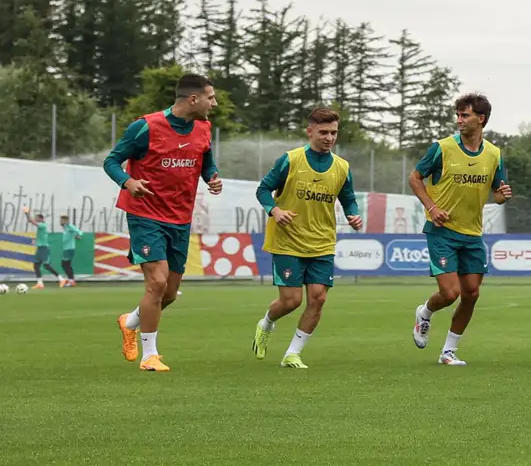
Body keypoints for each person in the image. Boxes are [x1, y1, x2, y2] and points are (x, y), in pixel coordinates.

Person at [105, 73, 223, 371]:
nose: (215, 103)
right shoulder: (145, 126)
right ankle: (149, 356)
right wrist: (128, 181)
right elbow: (111, 161)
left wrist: (212, 177)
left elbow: (206, 161)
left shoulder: (204, 129)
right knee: (156, 283)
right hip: (145, 215)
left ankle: (130, 321)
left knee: (169, 293)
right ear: (193, 99)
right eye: (211, 97)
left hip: (180, 218)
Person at [252, 106, 364, 368]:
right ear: (309, 131)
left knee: (318, 298)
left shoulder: (342, 167)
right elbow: (263, 190)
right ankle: (266, 323)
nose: (329, 138)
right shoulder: (290, 160)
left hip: (322, 241)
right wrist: (275, 210)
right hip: (288, 240)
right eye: (323, 132)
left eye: (333, 132)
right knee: (291, 301)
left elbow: (349, 200)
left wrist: (353, 215)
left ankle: (293, 353)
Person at [407, 93, 512, 365]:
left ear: (481, 119)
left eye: (465, 115)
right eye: (458, 115)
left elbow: (498, 193)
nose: (459, 120)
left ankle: (448, 352)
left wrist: (502, 195)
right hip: (442, 231)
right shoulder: (441, 148)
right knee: (450, 293)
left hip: (473, 234)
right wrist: (431, 207)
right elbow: (415, 178)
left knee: (472, 294)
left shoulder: (493, 154)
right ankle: (425, 313)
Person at [32, 212, 54, 289]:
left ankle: (61, 278)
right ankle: (40, 283)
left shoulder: (42, 225)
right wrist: (35, 240)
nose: (35, 218)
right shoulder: (41, 226)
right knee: (38, 265)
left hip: (43, 248)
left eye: (36, 217)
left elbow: (31, 221)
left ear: (41, 219)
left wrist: (26, 213)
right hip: (41, 248)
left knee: (42, 265)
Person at [58, 215, 79, 286]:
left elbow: (77, 230)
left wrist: (78, 234)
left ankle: (71, 280)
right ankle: (71, 280)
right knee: (67, 264)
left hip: (69, 249)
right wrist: (76, 235)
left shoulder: (69, 226)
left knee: (64, 264)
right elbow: (73, 233)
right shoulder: (66, 228)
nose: (60, 222)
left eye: (61, 220)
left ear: (65, 221)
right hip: (67, 249)